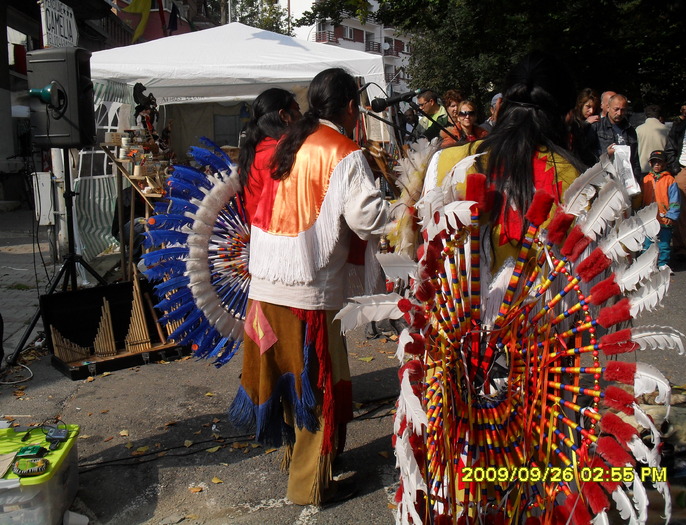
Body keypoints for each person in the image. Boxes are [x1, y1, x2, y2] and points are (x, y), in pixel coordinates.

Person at [229, 68, 389, 506]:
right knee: (315, 389)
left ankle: (294, 462)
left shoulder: (291, 140)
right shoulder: (342, 150)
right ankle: (308, 486)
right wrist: (399, 211)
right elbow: (366, 219)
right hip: (307, 290)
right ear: (353, 108)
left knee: (288, 380)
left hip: (265, 283)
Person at [426, 51, 582, 268]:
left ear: (502, 106)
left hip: (462, 298)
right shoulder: (576, 181)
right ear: (567, 115)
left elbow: (427, 260)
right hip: (535, 299)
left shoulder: (446, 160)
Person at [237, 88, 301, 220]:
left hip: (258, 232)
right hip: (275, 232)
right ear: (284, 116)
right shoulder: (278, 153)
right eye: (297, 110)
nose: (302, 116)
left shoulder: (256, 149)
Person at [664, 91, 686, 259]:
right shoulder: (680, 127)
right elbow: (670, 148)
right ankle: (680, 248)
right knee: (679, 213)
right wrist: (676, 170)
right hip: (685, 171)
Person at [641, 150, 680, 270]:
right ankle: (647, 265)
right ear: (651, 164)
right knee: (647, 243)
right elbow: (641, 199)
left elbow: (675, 200)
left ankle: (662, 263)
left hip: (664, 218)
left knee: (664, 243)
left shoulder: (670, 180)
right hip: (649, 218)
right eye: (655, 162)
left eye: (660, 162)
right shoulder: (645, 179)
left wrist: (671, 215)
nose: (657, 165)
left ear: (665, 164)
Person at [593, 93, 643, 181]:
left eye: (623, 110)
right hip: (604, 178)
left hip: (626, 180)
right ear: (608, 108)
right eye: (616, 109)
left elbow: (635, 159)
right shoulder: (597, 127)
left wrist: (638, 180)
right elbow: (589, 155)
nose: (619, 113)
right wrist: (606, 154)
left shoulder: (630, 129)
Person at [636, 104, 669, 170]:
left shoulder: (638, 130)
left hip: (644, 168)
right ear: (659, 116)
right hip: (661, 169)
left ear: (646, 115)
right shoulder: (666, 129)